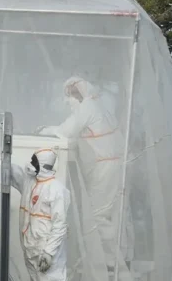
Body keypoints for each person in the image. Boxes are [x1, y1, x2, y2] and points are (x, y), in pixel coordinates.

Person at [39, 76, 123, 268]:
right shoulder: (99, 105)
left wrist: (44, 130)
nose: (69, 100)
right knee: (107, 213)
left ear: (81, 93)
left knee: (97, 214)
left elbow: (66, 130)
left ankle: (109, 261)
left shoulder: (88, 107)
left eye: (72, 95)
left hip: (105, 168)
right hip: (109, 166)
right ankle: (113, 257)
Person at [10, 148, 72, 281]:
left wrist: (49, 253)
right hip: (32, 249)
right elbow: (12, 172)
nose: (31, 164)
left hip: (46, 251)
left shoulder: (57, 190)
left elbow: (60, 225)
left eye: (34, 161)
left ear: (42, 164)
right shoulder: (30, 183)